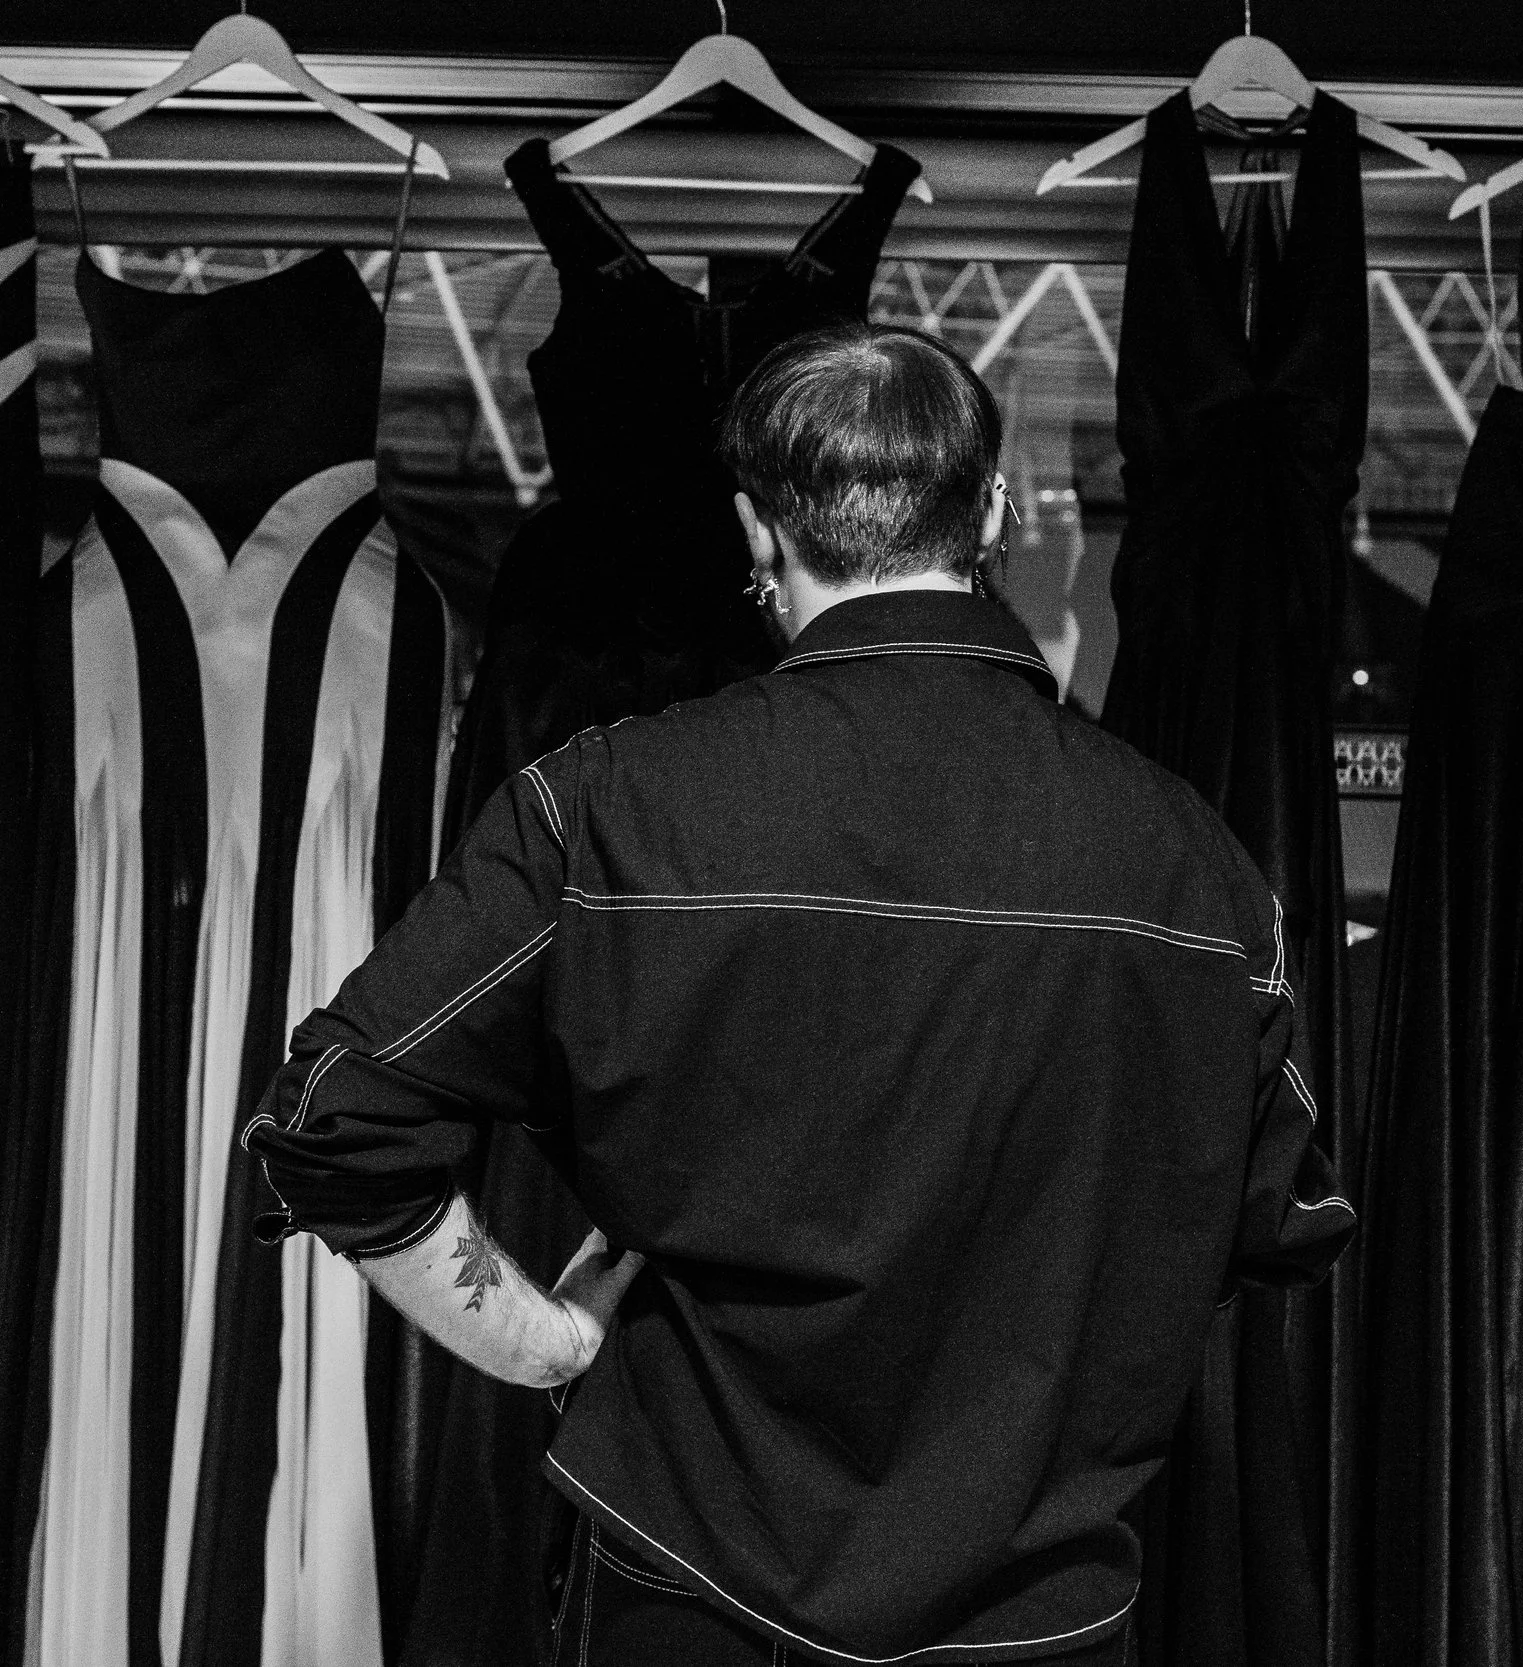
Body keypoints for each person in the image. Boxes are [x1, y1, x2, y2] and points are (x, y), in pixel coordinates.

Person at [243, 322, 1354, 1666]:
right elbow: (1287, 1216)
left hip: (687, 1600)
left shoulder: (610, 807)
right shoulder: (1195, 867)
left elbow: (334, 1121)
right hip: (1039, 1623)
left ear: (754, 529)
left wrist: (548, 1342)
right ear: (993, 511)